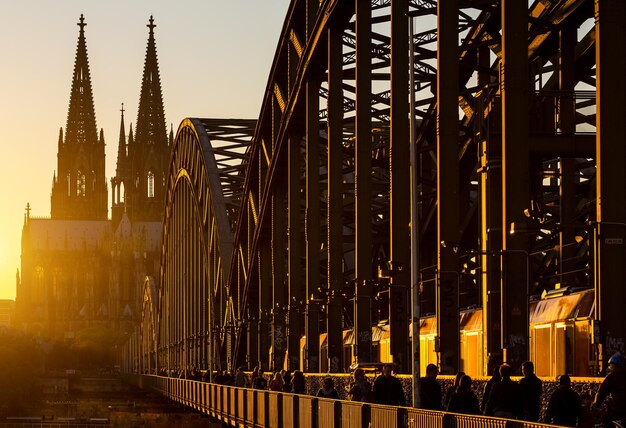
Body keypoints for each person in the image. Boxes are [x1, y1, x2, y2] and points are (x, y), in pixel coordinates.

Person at [593, 352, 626, 427]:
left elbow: (601, 392)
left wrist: (596, 404)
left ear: (614, 365)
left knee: (607, 419)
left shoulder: (612, 376)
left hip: (618, 408)